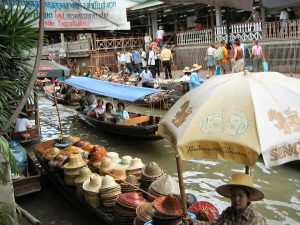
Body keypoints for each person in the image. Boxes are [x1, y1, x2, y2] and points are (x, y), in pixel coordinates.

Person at [186, 173, 266, 225]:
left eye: (240, 196)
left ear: (248, 197)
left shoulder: (257, 220)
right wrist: (192, 222)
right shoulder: (228, 212)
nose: (236, 199)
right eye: (234, 195)